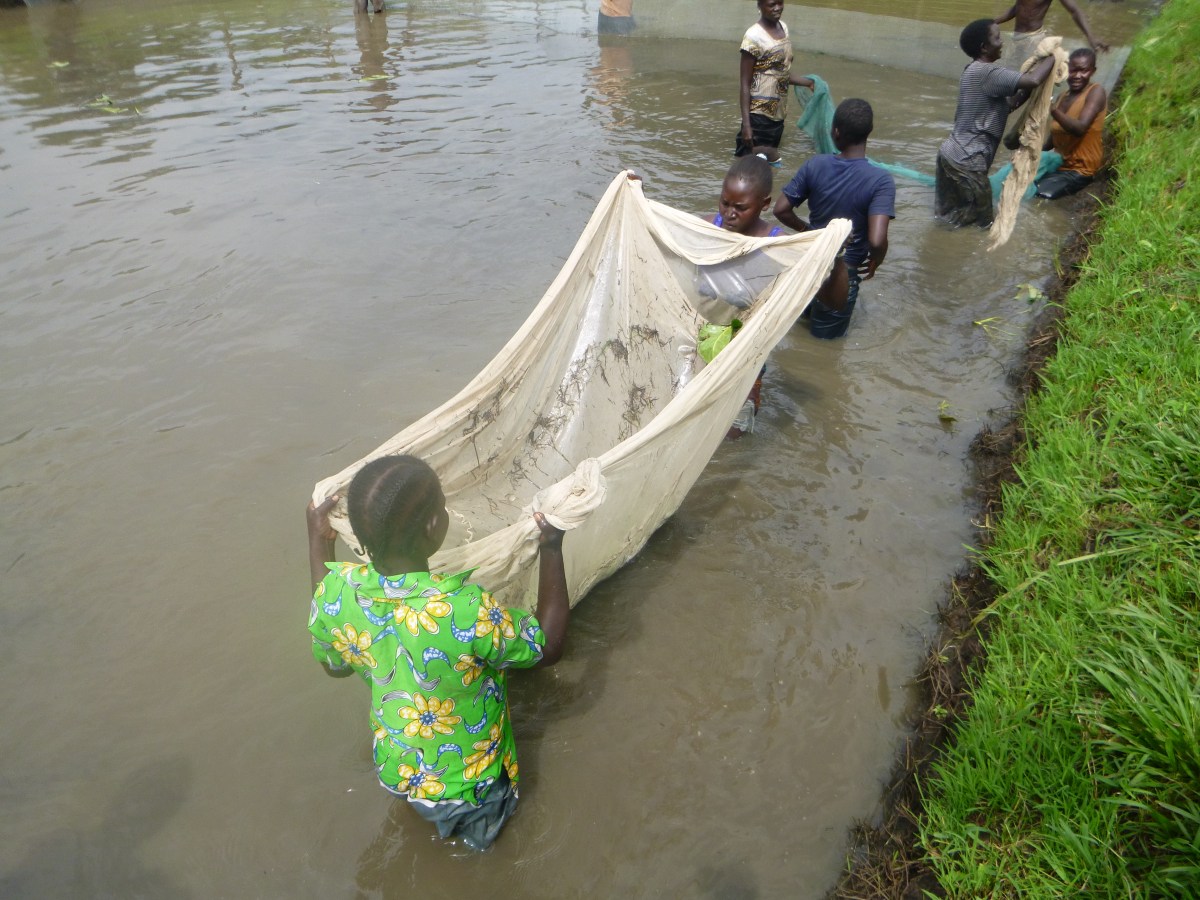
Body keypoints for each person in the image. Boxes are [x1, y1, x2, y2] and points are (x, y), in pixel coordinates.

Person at [305, 455, 569, 851]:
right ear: (432, 528)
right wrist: (551, 548)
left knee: (424, 830)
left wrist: (318, 540)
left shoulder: (336, 595)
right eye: (443, 507)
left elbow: (334, 665)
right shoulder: (465, 610)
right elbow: (547, 647)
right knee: (484, 851)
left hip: (398, 768)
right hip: (469, 785)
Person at [773, 98, 895, 340]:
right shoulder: (881, 180)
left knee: (796, 332)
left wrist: (810, 231)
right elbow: (877, 240)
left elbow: (781, 209)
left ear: (836, 132)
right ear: (869, 132)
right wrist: (876, 259)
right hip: (841, 274)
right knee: (825, 345)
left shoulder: (815, 164)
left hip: (808, 265)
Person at [934, 19, 1057, 228]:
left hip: (950, 155)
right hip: (968, 161)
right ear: (984, 47)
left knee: (948, 219)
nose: (1002, 43)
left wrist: (1030, 87)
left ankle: (939, 245)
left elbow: (1009, 104)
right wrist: (1054, 56)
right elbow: (1033, 80)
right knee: (985, 223)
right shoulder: (988, 73)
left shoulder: (972, 71)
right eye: (997, 38)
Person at [700, 155, 783, 436]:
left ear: (764, 204)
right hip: (702, 339)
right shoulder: (706, 228)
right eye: (725, 203)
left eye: (740, 207)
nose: (729, 213)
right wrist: (637, 197)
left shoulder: (777, 246)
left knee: (733, 432)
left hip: (746, 349)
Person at [736, 0, 815, 159]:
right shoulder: (753, 37)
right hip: (758, 115)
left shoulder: (783, 28)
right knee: (749, 164)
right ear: (760, 6)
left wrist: (808, 83)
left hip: (778, 115)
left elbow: (780, 73)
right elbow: (745, 83)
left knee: (769, 163)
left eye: (780, 3)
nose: (777, 8)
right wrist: (747, 125)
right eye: (771, 5)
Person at [1035, 47, 1107, 199]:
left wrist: (1052, 110)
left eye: (1083, 71)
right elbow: (1054, 138)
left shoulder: (1096, 92)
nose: (1077, 76)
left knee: (1039, 194)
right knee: (1020, 181)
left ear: (1092, 71)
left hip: (1080, 170)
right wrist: (1032, 153)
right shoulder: (1062, 96)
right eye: (1073, 71)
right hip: (1059, 164)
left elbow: (1080, 128)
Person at [994, 0, 1108, 69]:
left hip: (1034, 39)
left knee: (1029, 76)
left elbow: (1075, 11)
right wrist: (994, 21)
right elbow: (1018, 7)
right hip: (1017, 38)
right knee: (1013, 72)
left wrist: (1090, 36)